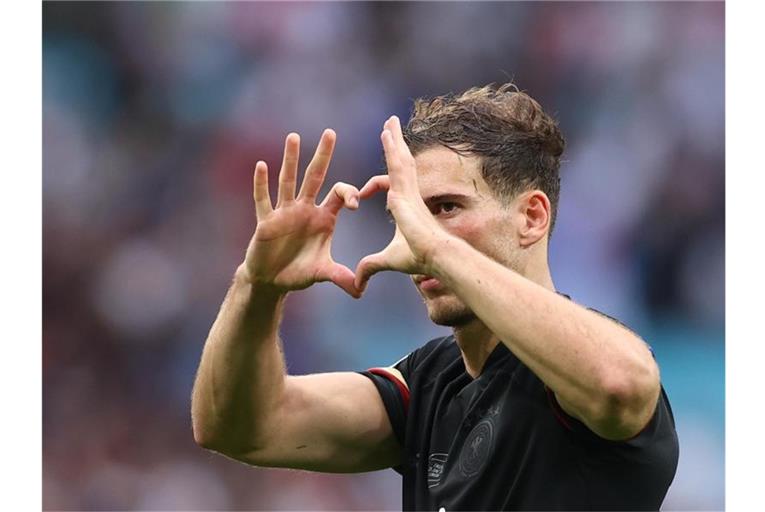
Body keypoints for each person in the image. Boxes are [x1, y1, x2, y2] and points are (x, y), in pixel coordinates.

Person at [191, 83, 678, 510]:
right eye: (408, 215)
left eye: (446, 207)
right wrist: (257, 286)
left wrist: (436, 245)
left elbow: (621, 384)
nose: (414, 236)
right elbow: (238, 427)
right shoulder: (429, 382)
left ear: (531, 217)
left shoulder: (583, 369)